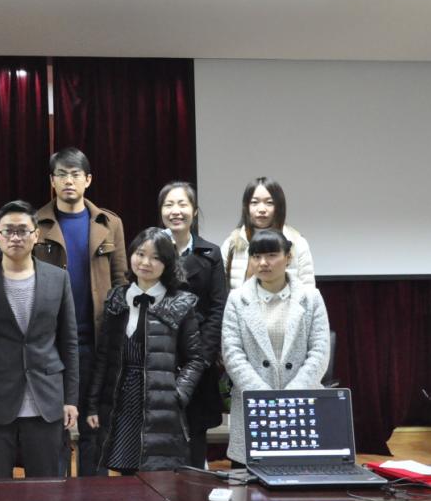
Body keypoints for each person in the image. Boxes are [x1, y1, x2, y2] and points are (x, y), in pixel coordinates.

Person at [0, 200, 79, 478]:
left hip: (46, 401)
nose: (15, 237)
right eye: (8, 231)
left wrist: (71, 399)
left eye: (23, 230)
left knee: (47, 490)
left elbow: (69, 343)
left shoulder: (58, 278)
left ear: (36, 235)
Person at [34, 147, 127, 476]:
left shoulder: (109, 223)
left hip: (95, 343)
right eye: (61, 174)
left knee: (93, 427)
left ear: (88, 180)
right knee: (53, 429)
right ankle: (54, 497)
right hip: (50, 345)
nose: (68, 181)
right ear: (52, 181)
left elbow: (121, 283)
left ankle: (93, 498)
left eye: (75, 174)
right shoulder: (36, 224)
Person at [86, 228, 207, 474]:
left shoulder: (181, 302)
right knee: (122, 469)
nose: (145, 262)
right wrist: (92, 405)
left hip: (160, 400)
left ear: (168, 263)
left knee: (158, 474)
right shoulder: (117, 298)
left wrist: (178, 393)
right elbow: (104, 357)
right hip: (120, 397)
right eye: (140, 254)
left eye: (156, 257)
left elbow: (196, 358)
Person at [221, 229, 330, 467]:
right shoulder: (237, 299)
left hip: (301, 403)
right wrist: (264, 397)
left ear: (288, 257)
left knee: (301, 479)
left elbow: (320, 352)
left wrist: (292, 395)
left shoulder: (311, 297)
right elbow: (232, 354)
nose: (263, 263)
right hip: (254, 404)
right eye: (256, 256)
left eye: (271, 255)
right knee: (249, 480)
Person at [158, 181, 227, 467]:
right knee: (159, 435)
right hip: (159, 357)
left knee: (195, 436)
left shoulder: (211, 253)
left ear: (194, 211)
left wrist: (202, 357)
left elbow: (218, 308)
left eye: (182, 204)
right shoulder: (151, 251)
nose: (176, 211)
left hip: (198, 359)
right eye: (169, 205)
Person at [220, 177, 315, 290]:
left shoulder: (296, 242)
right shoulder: (233, 242)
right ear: (246, 206)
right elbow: (220, 289)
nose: (262, 209)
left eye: (269, 203)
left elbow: (309, 290)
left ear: (279, 206)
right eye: (254, 202)